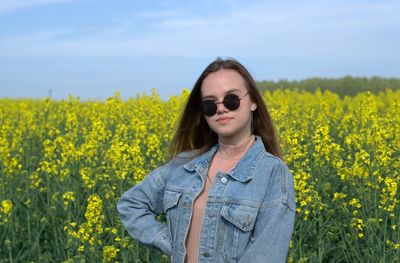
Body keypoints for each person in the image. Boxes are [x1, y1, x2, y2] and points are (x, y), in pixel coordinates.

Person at [117, 57, 296, 263]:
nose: (221, 109)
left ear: (253, 102)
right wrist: (173, 245)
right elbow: (131, 204)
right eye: (210, 104)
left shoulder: (272, 172)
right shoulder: (183, 165)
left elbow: (266, 257)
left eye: (231, 99)